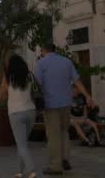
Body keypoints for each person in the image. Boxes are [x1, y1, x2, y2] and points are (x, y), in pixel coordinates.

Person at [34, 44, 95, 175]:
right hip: (66, 103)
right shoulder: (67, 62)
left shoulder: (41, 63)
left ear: (44, 51)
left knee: (53, 135)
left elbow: (37, 83)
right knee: (64, 131)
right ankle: (65, 159)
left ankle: (55, 166)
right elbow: (77, 80)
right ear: (55, 50)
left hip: (50, 104)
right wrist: (87, 96)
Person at [0, 54, 37, 178]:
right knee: (22, 143)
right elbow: (32, 93)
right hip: (30, 112)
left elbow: (1, 95)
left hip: (16, 113)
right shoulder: (29, 75)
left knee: (21, 144)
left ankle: (31, 170)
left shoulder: (8, 77)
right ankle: (20, 171)